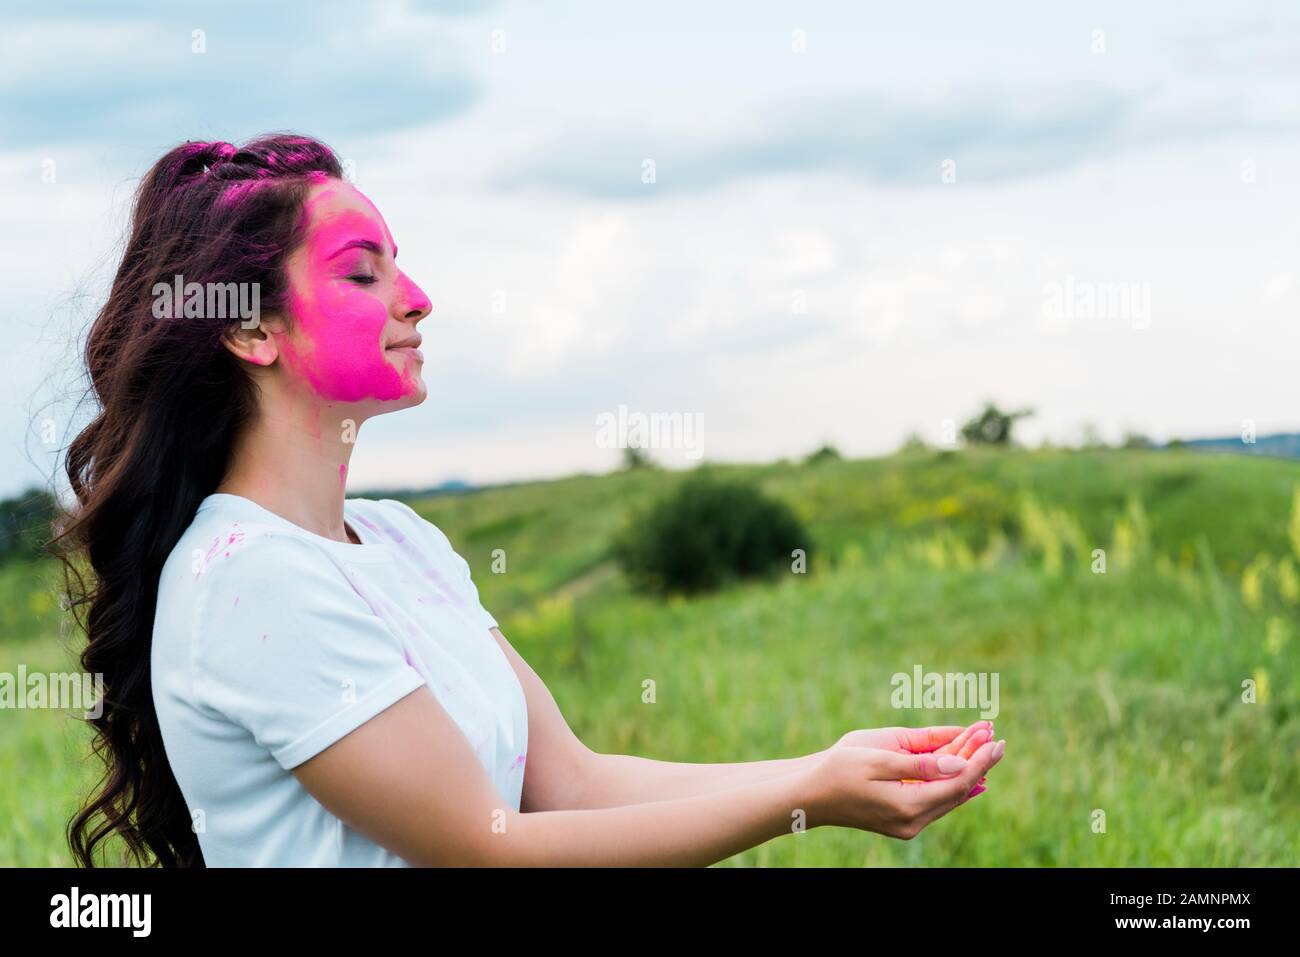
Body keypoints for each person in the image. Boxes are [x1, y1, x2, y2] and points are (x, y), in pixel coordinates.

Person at [55, 133, 1005, 867]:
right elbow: (487, 846)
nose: (417, 299)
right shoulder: (249, 578)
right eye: (362, 273)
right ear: (251, 331)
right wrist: (814, 798)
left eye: (401, 264)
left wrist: (822, 771)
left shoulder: (399, 539)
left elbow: (576, 787)